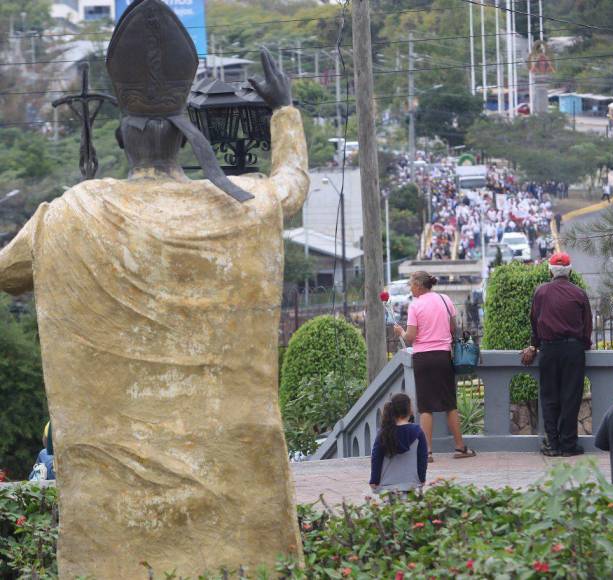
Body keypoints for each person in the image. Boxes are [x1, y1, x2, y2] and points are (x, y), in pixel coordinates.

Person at [0, 3, 310, 575]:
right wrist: (283, 112)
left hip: (112, 516)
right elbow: (290, 186)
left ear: (121, 136)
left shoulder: (69, 214)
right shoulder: (240, 206)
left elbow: (6, 272)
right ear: (186, 136)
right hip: (232, 497)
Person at [394, 271, 476, 462]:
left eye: (411, 284)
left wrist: (400, 332)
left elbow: (411, 337)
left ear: (419, 286)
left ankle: (427, 452)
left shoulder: (415, 306)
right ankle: (460, 447)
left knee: (426, 407)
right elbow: (452, 327)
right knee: (450, 404)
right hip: (443, 356)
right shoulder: (445, 299)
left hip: (423, 358)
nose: (410, 288)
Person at [522, 252, 592, 457]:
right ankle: (568, 445)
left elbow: (535, 322)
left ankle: (552, 444)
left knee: (549, 397)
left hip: (549, 349)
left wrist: (535, 345)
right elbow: (587, 324)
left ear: (550, 271)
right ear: (569, 271)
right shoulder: (579, 293)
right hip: (573, 350)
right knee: (571, 396)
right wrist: (584, 344)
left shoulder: (541, 292)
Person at [370, 394, 428, 493]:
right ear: (409, 410)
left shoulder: (383, 433)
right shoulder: (418, 432)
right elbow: (422, 458)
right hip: (412, 485)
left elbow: (376, 457)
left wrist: (374, 480)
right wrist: (422, 478)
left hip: (386, 487)